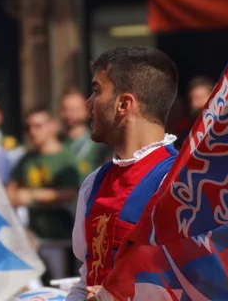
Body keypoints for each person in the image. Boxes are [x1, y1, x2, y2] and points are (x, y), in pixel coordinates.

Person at [65, 47, 179, 301]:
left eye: (96, 90)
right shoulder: (94, 182)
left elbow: (197, 284)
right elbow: (87, 279)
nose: (88, 103)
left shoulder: (178, 184)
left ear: (124, 104)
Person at [6, 106, 81, 281]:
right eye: (29, 127)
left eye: (38, 126)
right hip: (32, 238)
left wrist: (31, 196)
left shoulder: (65, 158)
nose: (33, 132)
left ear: (53, 126)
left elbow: (69, 192)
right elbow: (11, 188)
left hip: (61, 240)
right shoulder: (27, 158)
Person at [59, 87, 110, 182]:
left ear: (85, 110)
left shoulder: (97, 141)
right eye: (65, 109)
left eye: (74, 109)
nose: (69, 114)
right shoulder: (55, 142)